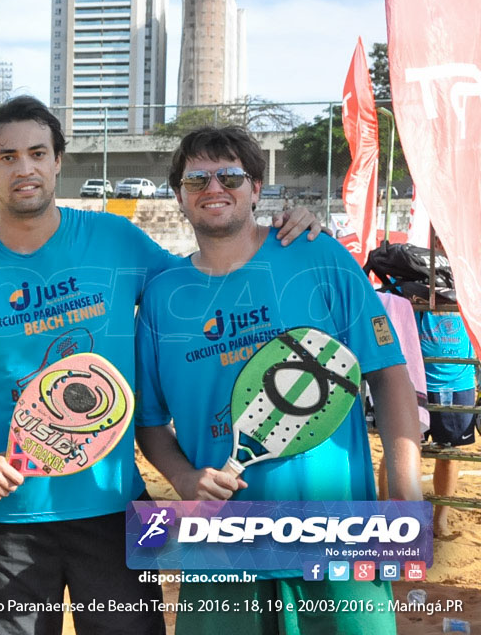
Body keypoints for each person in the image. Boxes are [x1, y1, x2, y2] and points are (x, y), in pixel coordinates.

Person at [0, 97, 321, 635]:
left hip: (115, 509)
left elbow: (202, 284)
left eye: (37, 152)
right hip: (6, 516)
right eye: (7, 156)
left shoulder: (115, 239)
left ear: (58, 161)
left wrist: (282, 232)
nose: (24, 167)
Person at [134, 126, 422, 634]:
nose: (213, 188)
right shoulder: (161, 298)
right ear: (178, 196)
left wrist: (404, 490)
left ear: (258, 188)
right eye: (196, 178)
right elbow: (151, 424)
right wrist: (183, 480)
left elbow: (388, 375)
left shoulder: (318, 255)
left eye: (230, 176)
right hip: (222, 548)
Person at [416, 237, 478, 537]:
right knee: (402, 448)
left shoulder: (471, 274)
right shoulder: (415, 274)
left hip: (459, 380)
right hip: (420, 379)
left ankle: (440, 519)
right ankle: (396, 517)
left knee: (449, 451)